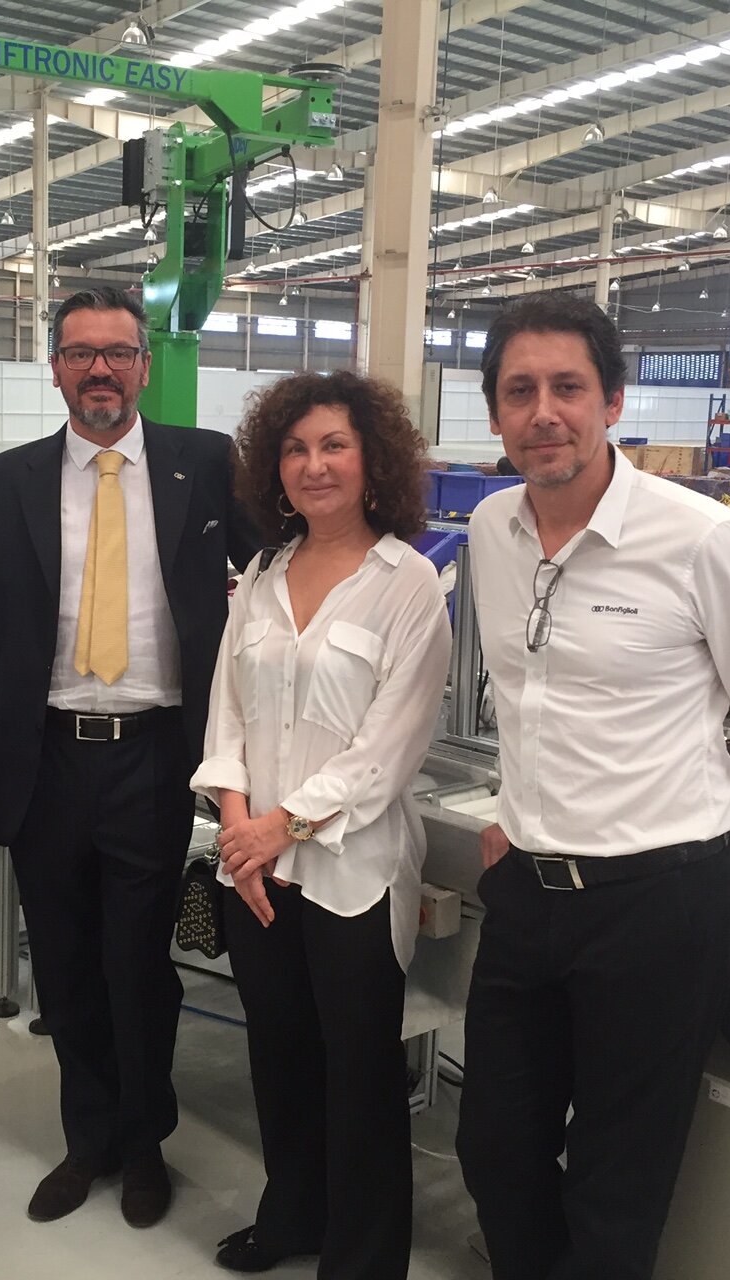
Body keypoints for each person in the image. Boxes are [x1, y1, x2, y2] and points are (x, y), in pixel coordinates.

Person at [456, 293, 730, 1280]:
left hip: (656, 902)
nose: (543, 411)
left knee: (617, 1178)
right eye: (519, 391)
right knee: (493, 1145)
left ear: (612, 402)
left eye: (567, 387)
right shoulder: (491, 527)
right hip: (528, 890)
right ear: (495, 413)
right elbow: (531, 695)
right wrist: (517, 806)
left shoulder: (701, 540)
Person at [0, 286, 259, 1229]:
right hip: (44, 758)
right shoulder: (9, 482)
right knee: (66, 965)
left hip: (156, 758)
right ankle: (89, 1140)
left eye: (118, 352)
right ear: (56, 370)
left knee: (140, 967)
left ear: (145, 367)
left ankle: (146, 1142)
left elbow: (279, 571)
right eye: (81, 354)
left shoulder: (206, 463)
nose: (100, 370)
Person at [192, 371, 452, 1277]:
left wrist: (279, 829)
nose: (315, 465)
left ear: (373, 459)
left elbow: (390, 748)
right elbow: (227, 713)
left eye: (334, 445)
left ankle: (363, 1255)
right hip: (255, 870)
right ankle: (292, 1216)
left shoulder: (407, 584)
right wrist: (238, 828)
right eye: (297, 449)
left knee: (360, 1071)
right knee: (279, 1054)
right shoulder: (262, 575)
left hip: (353, 873)